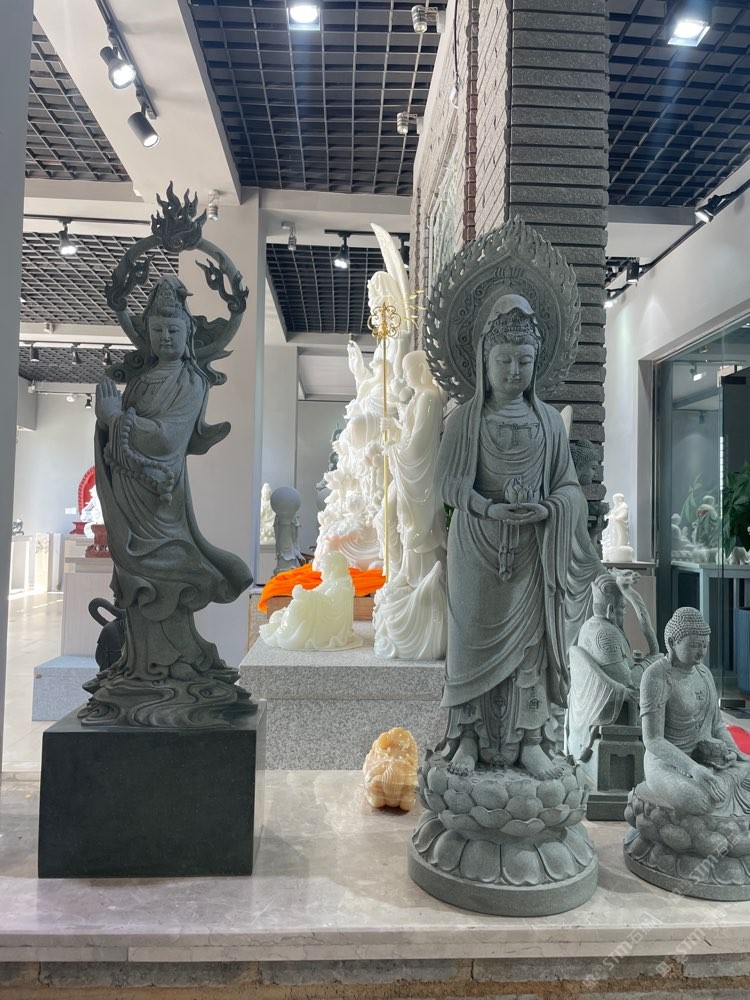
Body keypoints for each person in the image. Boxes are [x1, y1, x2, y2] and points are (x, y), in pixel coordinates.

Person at [435, 294, 600, 779]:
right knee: (468, 644)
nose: (513, 371)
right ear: (483, 360)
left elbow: (569, 487)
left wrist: (548, 507)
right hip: (476, 544)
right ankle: (467, 737)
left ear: (537, 363)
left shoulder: (548, 423)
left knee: (529, 649)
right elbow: (447, 483)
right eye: (504, 360)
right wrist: (488, 507)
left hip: (530, 548)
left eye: (524, 362)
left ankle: (530, 739)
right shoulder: (464, 420)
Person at [80, 275, 252, 725]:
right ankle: (140, 666)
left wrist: (116, 419)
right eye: (157, 330)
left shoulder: (190, 381)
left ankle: (179, 663)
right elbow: (120, 436)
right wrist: (108, 421)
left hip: (161, 496)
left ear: (188, 332)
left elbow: (167, 438)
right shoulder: (140, 382)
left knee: (166, 571)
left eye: (174, 329)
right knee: (134, 581)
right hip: (130, 492)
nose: (166, 337)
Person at [640, 607, 750, 815]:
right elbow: (653, 740)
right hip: (668, 761)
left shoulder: (704, 673)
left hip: (708, 758)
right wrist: (692, 768)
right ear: (672, 642)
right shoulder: (655, 677)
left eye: (705, 645)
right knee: (698, 800)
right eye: (694, 645)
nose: (701, 652)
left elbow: (717, 725)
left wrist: (733, 750)